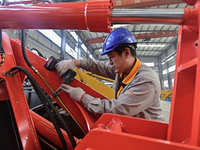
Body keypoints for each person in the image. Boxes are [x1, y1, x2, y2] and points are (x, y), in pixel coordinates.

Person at [56, 28, 164, 122]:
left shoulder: (146, 80)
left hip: (148, 135)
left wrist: (83, 97)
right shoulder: (123, 70)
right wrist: (75, 62)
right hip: (133, 124)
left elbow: (117, 110)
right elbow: (99, 66)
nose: (109, 62)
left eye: (112, 56)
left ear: (126, 53)